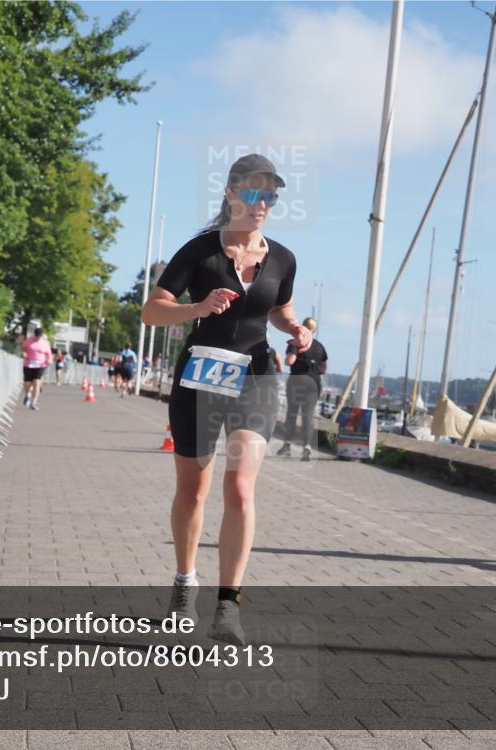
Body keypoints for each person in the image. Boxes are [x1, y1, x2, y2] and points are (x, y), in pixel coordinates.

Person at [140, 153, 311, 645]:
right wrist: (199, 306)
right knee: (193, 491)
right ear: (232, 193)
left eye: (271, 196)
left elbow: (280, 310)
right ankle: (183, 583)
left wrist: (294, 329)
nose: (263, 204)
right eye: (255, 193)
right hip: (199, 377)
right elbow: (153, 312)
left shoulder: (282, 258)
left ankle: (228, 606)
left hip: (255, 377)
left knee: (239, 489)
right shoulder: (199, 251)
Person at [276, 317, 327, 461]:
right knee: (308, 415)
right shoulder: (320, 346)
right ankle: (307, 447)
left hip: (297, 380)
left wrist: (294, 357)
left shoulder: (296, 342)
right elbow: (323, 368)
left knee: (292, 413)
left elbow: (289, 361)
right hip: (314, 382)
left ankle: (287, 446)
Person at [22, 327, 53, 410]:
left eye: (39, 336)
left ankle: (34, 402)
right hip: (28, 364)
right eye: (36, 336)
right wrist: (24, 353)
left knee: (37, 382)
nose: (37, 338)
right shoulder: (28, 340)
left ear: (41, 336)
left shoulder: (45, 343)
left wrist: (49, 360)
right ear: (34, 335)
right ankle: (27, 395)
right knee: (27, 383)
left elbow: (48, 354)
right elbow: (24, 349)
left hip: (40, 365)